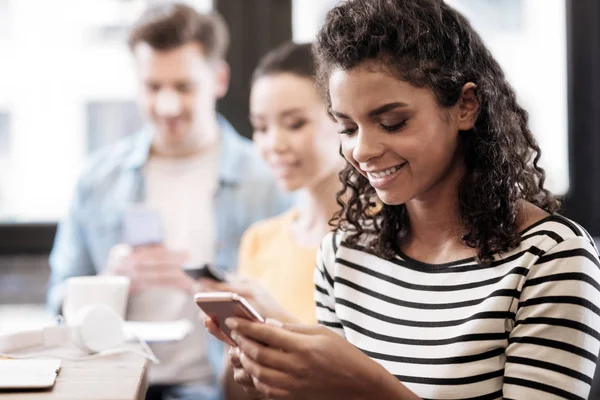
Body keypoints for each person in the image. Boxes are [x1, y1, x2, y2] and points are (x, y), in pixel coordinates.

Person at [204, 0, 600, 399]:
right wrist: (269, 381)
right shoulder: (343, 255)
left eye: (392, 123)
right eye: (347, 127)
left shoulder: (550, 258)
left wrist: (369, 387)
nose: (362, 150)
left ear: (466, 106)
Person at [47, 3, 288, 400]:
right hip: (110, 383)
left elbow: (288, 307)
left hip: (214, 387)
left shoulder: (268, 179)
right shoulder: (97, 180)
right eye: (153, 87)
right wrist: (105, 287)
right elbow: (57, 299)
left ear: (219, 79)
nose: (168, 106)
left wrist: (217, 290)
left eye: (184, 87)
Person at [200, 42, 344, 399]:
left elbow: (371, 383)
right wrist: (239, 349)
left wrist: (276, 322)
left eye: (295, 123)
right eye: (261, 127)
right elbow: (233, 392)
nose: (273, 143)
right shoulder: (260, 239)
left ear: (344, 117)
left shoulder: (383, 240)